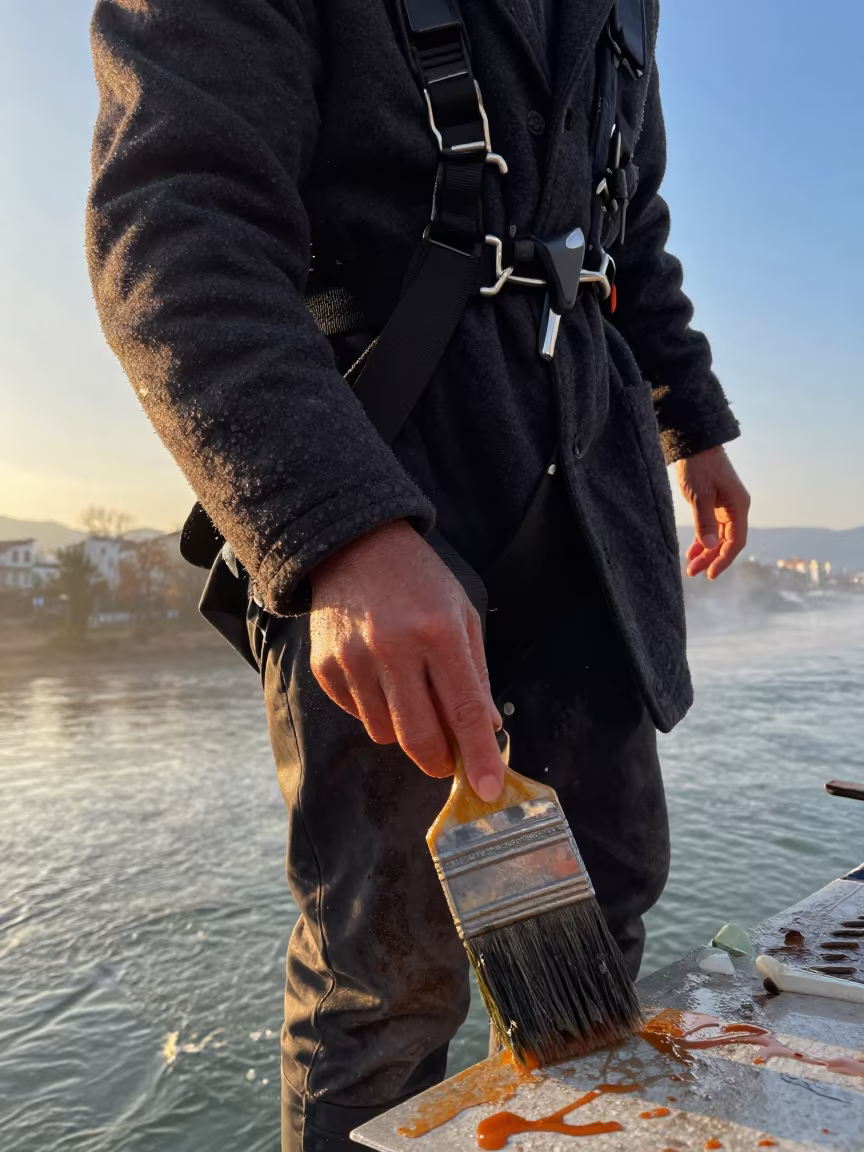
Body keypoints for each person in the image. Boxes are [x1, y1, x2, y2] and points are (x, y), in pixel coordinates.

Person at [87, 1, 750, 1149]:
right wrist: (338, 530)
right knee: (388, 983)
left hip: (598, 501)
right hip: (382, 480)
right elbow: (173, 215)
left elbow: (628, 225)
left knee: (602, 910)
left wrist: (694, 423)